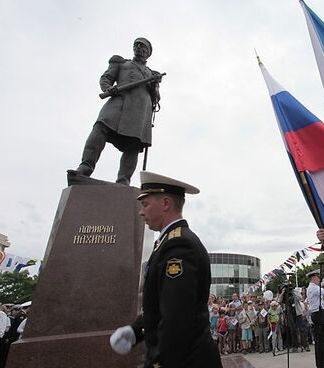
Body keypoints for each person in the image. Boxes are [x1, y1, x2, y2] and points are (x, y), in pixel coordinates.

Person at [109, 171, 221, 368]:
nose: (141, 212)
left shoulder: (179, 245)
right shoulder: (169, 242)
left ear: (166, 203)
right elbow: (162, 305)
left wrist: (158, 361)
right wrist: (136, 331)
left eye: (145, 204)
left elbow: (176, 317)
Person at [72, 38, 161, 185]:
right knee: (100, 128)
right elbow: (106, 78)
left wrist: (153, 84)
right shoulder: (121, 63)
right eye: (136, 45)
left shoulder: (152, 74)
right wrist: (108, 88)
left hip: (139, 111)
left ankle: (123, 180)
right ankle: (85, 167)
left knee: (133, 144)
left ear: (148, 53)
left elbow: (156, 98)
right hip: (118, 102)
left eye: (143, 47)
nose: (139, 48)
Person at [307, 269, 324, 368]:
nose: (319, 279)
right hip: (318, 314)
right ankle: (321, 364)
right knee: (320, 340)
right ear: (313, 278)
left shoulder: (314, 287)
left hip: (318, 313)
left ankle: (322, 362)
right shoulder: (313, 287)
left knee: (322, 339)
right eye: (317, 277)